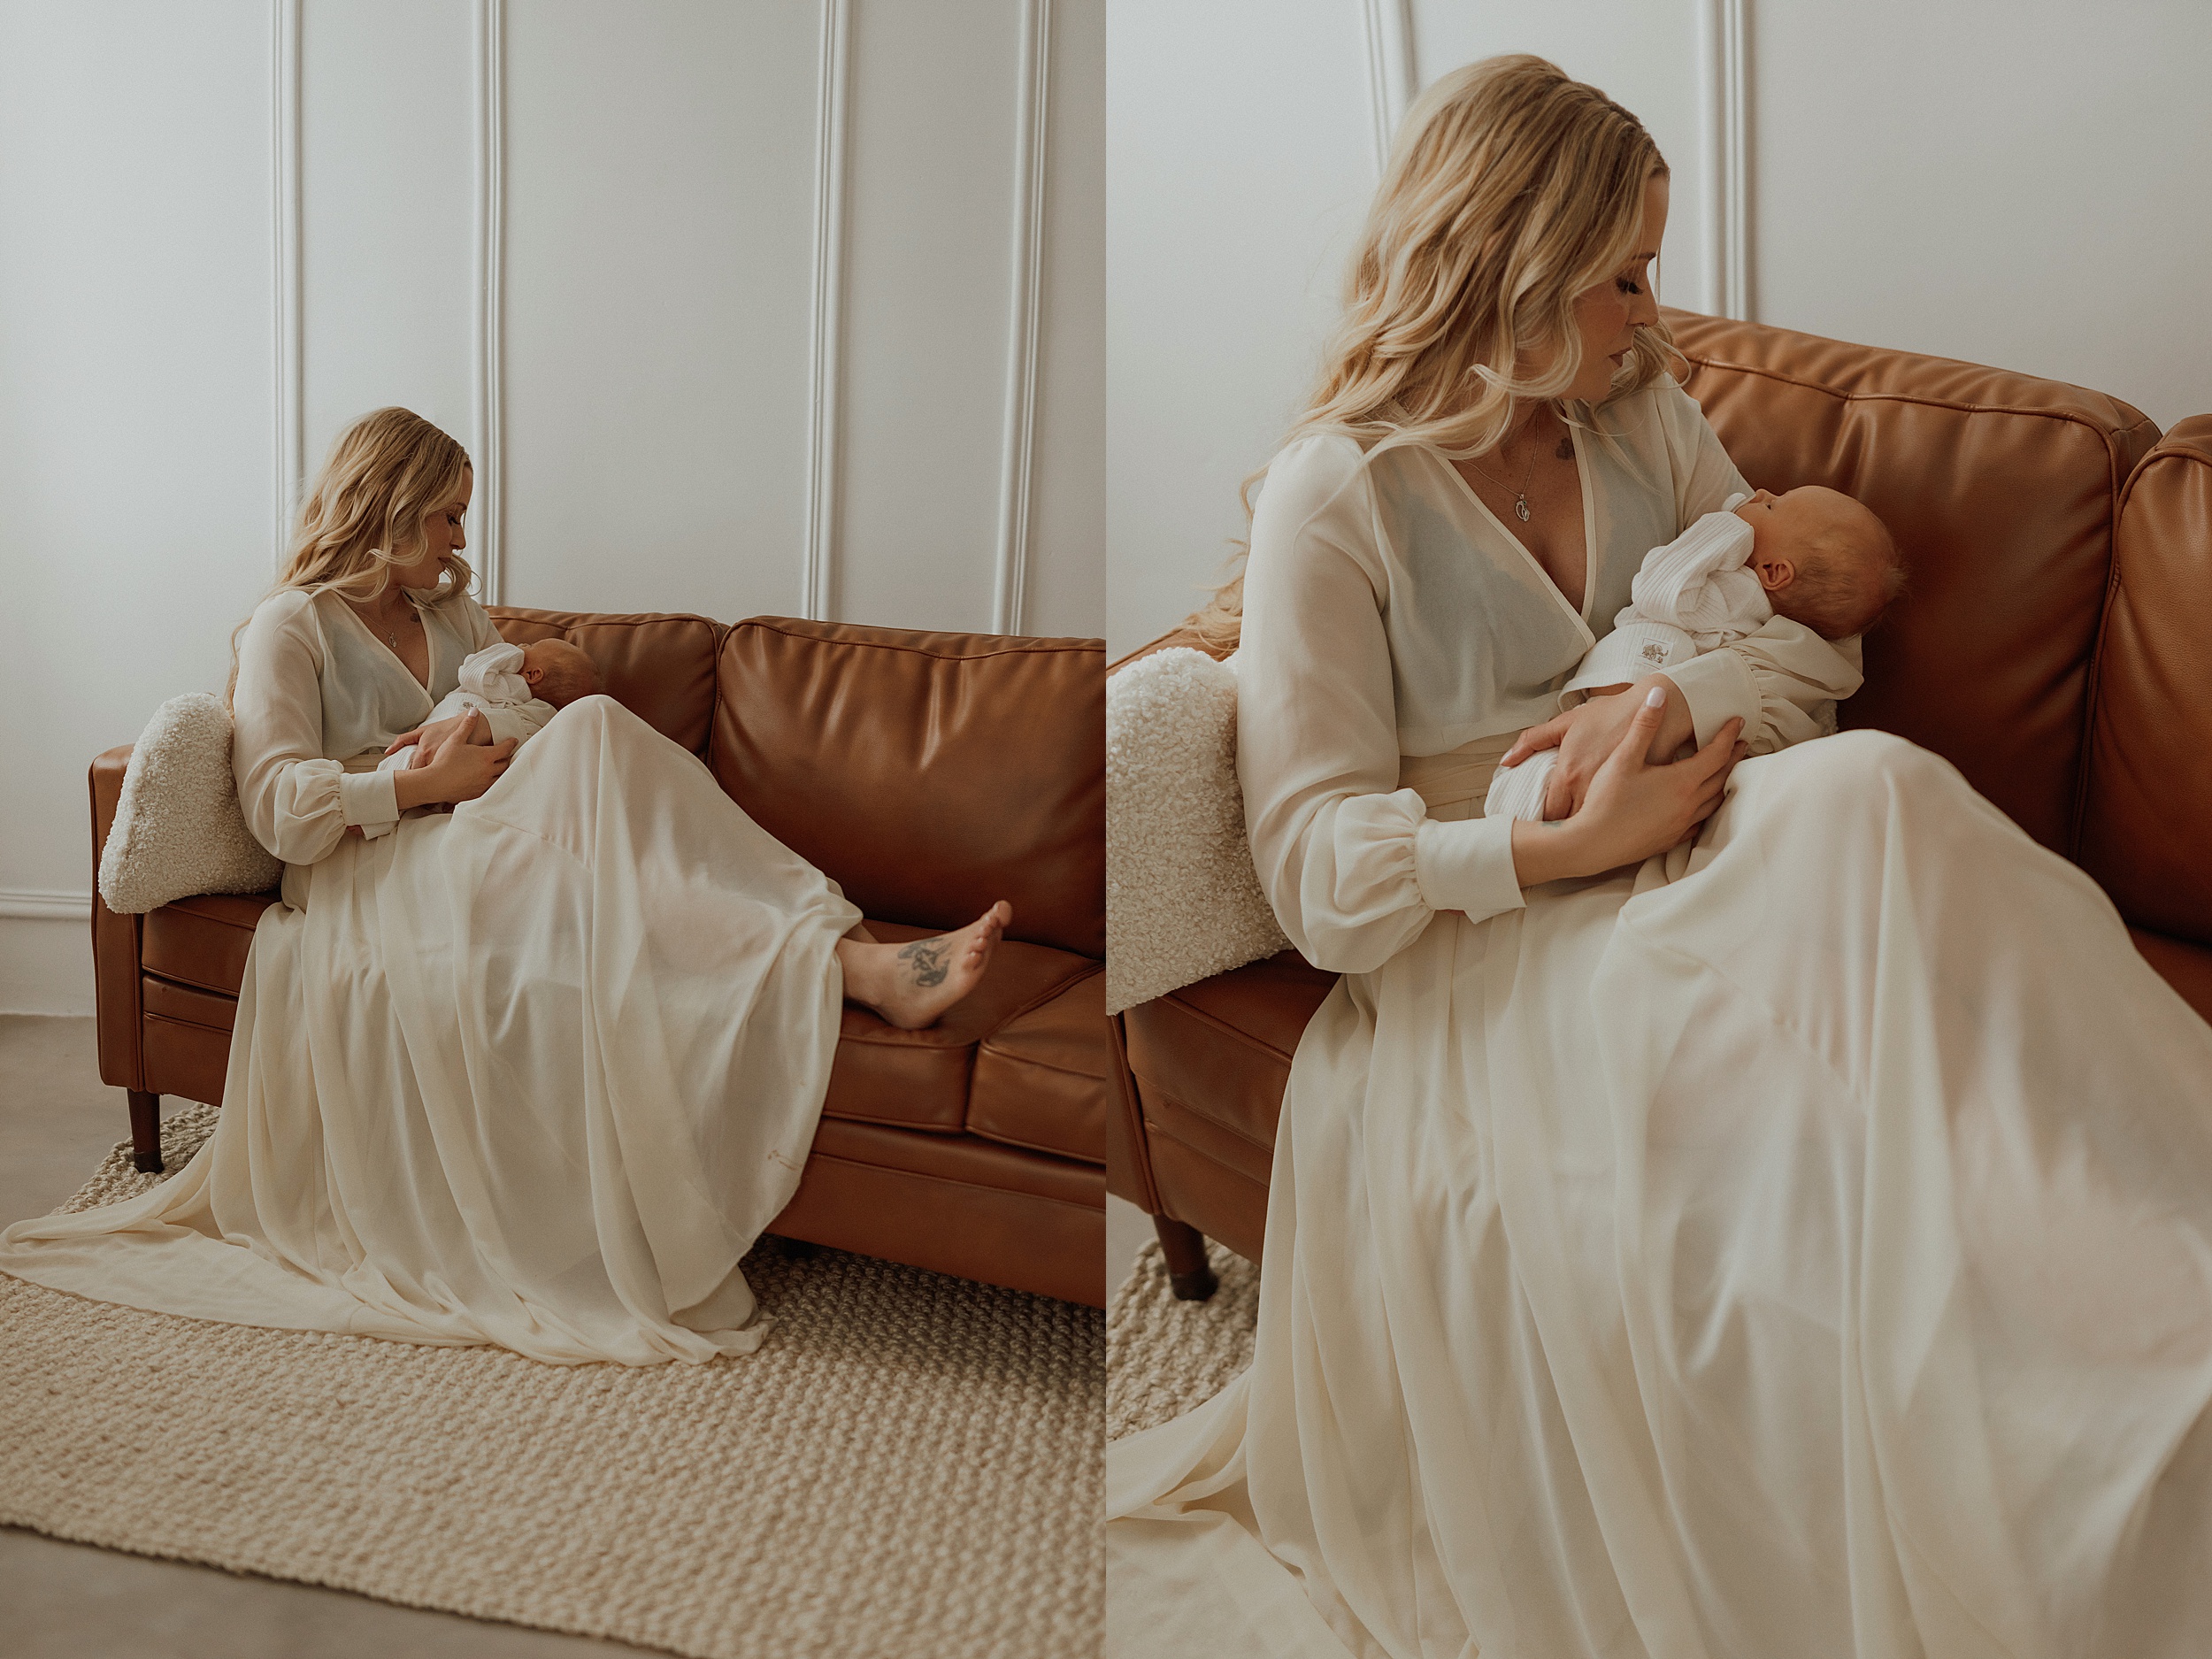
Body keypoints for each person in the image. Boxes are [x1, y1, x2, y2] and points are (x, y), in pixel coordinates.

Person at [1106, 56, 2212, 1659]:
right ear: (1515, 257)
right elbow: (1322, 876)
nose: (1651, 309)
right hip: (1491, 945)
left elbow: (1801, 656)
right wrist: (1555, 841)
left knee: (1881, 799)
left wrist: (1661, 700)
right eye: (1624, 272)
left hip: (1714, 821)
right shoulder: (1336, 498)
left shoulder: (1645, 419)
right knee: (1789, 1140)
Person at [0, 406, 1011, 1365]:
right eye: (446, 514)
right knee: (590, 804)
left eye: (459, 516)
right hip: (366, 870)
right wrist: (412, 779)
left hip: (472, 831)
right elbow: (277, 805)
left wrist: (483, 727)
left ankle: (838, 958)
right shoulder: (290, 626)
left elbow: (522, 713)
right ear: (388, 506)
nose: (457, 536)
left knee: (598, 729)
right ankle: (854, 967)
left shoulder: (451, 610)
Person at [1486, 482, 1901, 820]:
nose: (1756, 493)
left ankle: (1512, 831)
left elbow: (1655, 589)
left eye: (1773, 506)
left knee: (1544, 776)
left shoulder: (1734, 592)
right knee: (1574, 785)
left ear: (1775, 572)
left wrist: (1725, 528)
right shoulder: (1771, 620)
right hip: (1661, 724)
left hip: (1637, 692)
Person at [374, 637, 602, 782]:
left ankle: (377, 813)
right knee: (403, 769)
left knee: (400, 766)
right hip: (439, 741)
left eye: (530, 647)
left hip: (454, 742)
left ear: (533, 675)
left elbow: (470, 671)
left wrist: (512, 652)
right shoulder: (528, 704)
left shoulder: (501, 685)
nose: (522, 645)